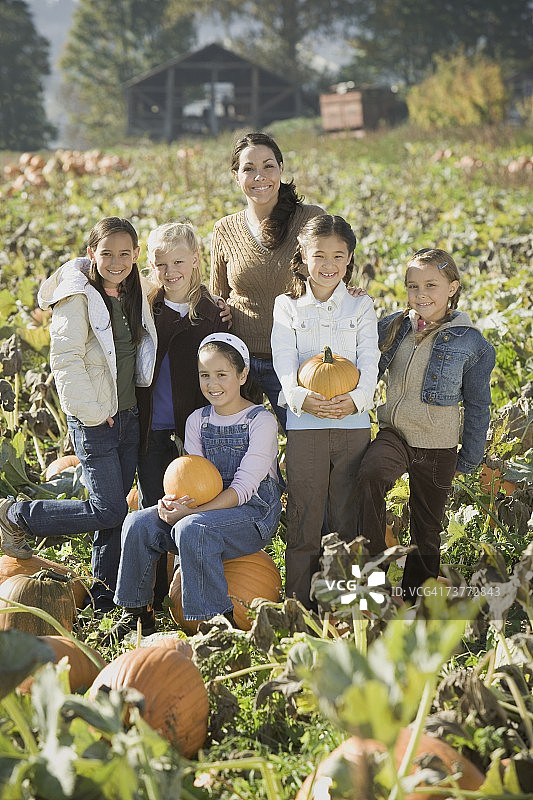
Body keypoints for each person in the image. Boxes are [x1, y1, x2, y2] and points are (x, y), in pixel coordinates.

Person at [0, 217, 157, 611]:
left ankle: (102, 598)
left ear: (136, 255)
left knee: (112, 511)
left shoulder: (130, 291)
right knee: (109, 508)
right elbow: (66, 360)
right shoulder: (77, 296)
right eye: (106, 253)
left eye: (125, 253)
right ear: (91, 254)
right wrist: (92, 412)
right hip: (96, 420)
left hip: (127, 417)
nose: (116, 261)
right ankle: (16, 515)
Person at [113, 333, 282, 634]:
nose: (212, 384)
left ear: (242, 375)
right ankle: (137, 614)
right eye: (205, 375)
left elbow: (243, 488)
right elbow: (192, 477)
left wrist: (189, 514)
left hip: (253, 514)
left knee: (193, 529)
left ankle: (217, 628)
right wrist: (174, 503)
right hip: (205, 509)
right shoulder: (197, 421)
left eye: (221, 374)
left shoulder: (261, 421)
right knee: (139, 522)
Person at [354, 248, 496, 602]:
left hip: (438, 444)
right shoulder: (394, 326)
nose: (420, 295)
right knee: (370, 475)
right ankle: (374, 581)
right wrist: (351, 296)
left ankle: (414, 597)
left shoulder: (472, 343)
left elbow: (478, 404)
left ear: (452, 288)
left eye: (431, 285)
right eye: (412, 286)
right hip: (394, 433)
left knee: (427, 526)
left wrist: (471, 453)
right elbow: (356, 339)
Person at [271, 215, 379, 608]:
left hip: (352, 425)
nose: (328, 264)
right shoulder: (287, 306)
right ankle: (299, 604)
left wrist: (357, 398)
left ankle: (346, 604)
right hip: (306, 426)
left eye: (338, 255)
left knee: (347, 514)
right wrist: (299, 397)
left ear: (349, 259)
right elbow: (284, 359)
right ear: (302, 255)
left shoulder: (361, 305)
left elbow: (370, 356)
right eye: (319, 255)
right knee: (305, 513)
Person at [136, 221, 230, 607]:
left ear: (195, 261)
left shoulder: (208, 312)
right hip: (151, 429)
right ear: (151, 265)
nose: (170, 272)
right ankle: (151, 598)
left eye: (178, 261)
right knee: (153, 506)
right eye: (161, 264)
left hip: (192, 429)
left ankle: (188, 592)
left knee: (192, 508)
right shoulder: (145, 307)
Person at [210, 131, 325, 429]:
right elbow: (216, 296)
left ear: (281, 168)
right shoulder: (224, 229)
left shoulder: (311, 219)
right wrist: (218, 307)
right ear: (236, 176)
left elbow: (334, 272)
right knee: (241, 447)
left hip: (294, 359)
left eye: (268, 166)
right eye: (248, 169)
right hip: (240, 361)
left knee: (301, 442)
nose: (259, 176)